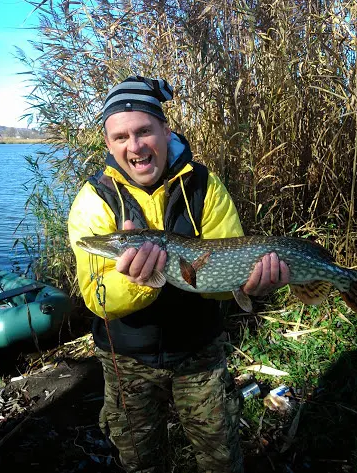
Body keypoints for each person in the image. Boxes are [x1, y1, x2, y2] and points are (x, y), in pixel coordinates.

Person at [68, 75, 290, 473]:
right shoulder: (92, 202)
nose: (133, 146)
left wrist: (251, 282)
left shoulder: (204, 186)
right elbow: (95, 297)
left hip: (198, 352)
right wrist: (135, 281)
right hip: (127, 359)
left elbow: (226, 277)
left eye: (143, 132)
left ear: (164, 130)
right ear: (107, 144)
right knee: (139, 461)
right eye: (120, 137)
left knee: (221, 459)